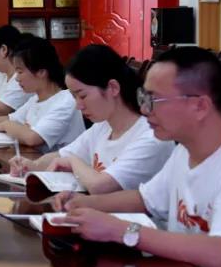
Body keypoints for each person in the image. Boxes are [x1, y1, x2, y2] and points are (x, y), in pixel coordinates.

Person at [54, 47, 221, 267]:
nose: (144, 109)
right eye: (143, 97)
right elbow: (145, 198)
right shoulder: (185, 150)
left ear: (199, 105)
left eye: (154, 100)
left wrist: (122, 230)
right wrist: (83, 203)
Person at [10, 44, 174, 193]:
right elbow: (61, 156)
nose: (78, 106)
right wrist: (33, 165)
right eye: (74, 97)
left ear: (113, 88)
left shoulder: (150, 137)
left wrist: (72, 162)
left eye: (82, 96)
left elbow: (101, 186)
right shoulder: (103, 126)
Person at [0, 35, 84, 151]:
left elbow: (31, 138)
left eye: (20, 72)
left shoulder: (66, 101)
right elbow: (11, 119)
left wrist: (7, 126)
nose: (17, 78)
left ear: (41, 72)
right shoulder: (35, 99)